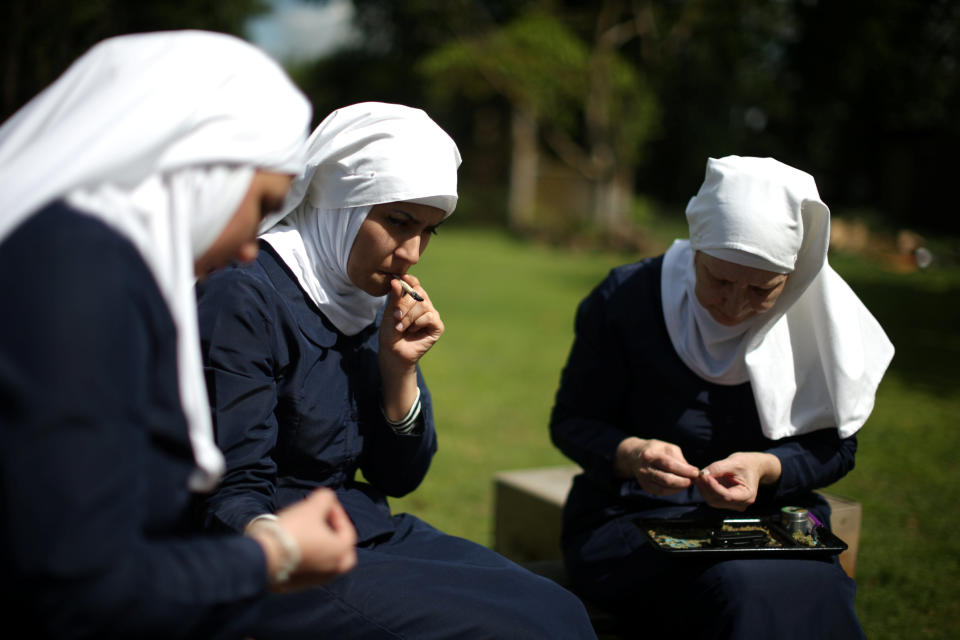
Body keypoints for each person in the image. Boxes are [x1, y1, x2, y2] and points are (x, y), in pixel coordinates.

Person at [0, 31, 358, 640]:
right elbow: (79, 585)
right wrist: (274, 557)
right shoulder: (77, 272)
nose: (252, 249)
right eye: (261, 203)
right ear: (203, 166)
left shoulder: (67, 255)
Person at [196, 101, 598, 639]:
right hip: (277, 557)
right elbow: (230, 493)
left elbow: (399, 478)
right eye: (398, 221)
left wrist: (398, 371)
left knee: (559, 612)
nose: (412, 252)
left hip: (364, 530)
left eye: (431, 230)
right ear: (339, 202)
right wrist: (287, 548)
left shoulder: (360, 296)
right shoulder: (244, 296)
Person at [550, 156, 894, 639]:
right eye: (720, 280)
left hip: (772, 526)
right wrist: (633, 455)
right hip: (634, 519)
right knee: (739, 588)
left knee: (815, 590)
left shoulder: (812, 317)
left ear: (793, 276)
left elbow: (836, 447)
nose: (735, 306)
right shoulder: (626, 299)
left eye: (761, 289)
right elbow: (572, 421)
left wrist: (765, 467)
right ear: (697, 249)